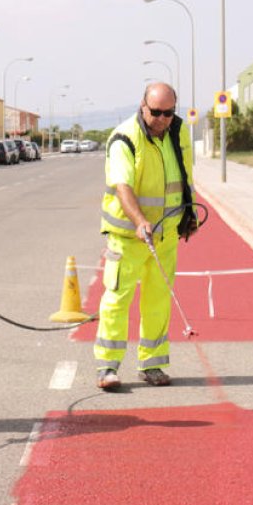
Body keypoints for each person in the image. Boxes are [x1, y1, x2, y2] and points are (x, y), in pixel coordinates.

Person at [95, 82, 198, 391]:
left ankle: (152, 364)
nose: (162, 120)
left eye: (168, 113)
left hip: (165, 236)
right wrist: (139, 221)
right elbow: (123, 187)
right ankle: (107, 367)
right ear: (142, 106)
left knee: (158, 300)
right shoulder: (125, 139)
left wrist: (188, 214)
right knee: (117, 299)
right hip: (128, 236)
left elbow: (185, 175)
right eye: (155, 113)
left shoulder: (178, 132)